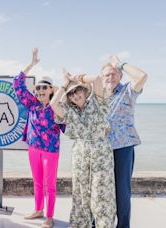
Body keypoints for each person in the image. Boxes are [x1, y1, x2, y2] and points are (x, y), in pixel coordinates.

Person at [51, 69, 116, 228]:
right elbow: (53, 103)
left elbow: (98, 80)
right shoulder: (68, 111)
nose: (75, 95)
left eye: (77, 90)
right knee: (80, 194)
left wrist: (77, 78)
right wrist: (65, 85)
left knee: (102, 193)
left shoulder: (97, 102)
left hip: (101, 152)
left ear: (84, 91)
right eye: (71, 93)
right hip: (80, 152)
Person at [13, 48, 65, 228]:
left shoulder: (56, 107)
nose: (41, 90)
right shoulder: (32, 104)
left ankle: (49, 217)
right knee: (37, 182)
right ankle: (38, 210)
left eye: (45, 87)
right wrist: (31, 64)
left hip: (50, 151)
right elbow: (17, 84)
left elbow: (67, 123)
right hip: (33, 148)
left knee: (49, 185)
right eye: (38, 87)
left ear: (51, 90)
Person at [102, 55, 147, 228]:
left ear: (121, 76)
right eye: (107, 75)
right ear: (101, 78)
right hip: (101, 151)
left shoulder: (128, 91)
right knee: (101, 191)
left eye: (114, 74)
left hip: (123, 148)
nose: (110, 77)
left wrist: (120, 64)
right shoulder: (97, 97)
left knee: (122, 192)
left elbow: (142, 76)